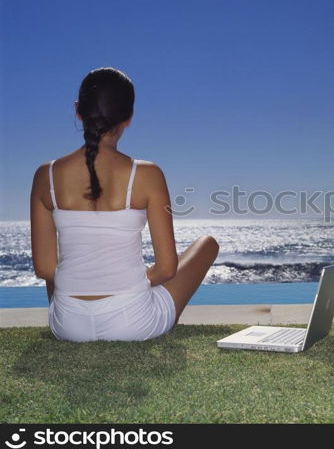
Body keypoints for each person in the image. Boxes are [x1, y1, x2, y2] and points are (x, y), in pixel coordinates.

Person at [29, 66, 219, 342]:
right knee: (207, 243)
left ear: (78, 110)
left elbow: (45, 270)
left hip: (67, 325)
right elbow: (166, 270)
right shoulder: (147, 174)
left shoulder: (45, 175)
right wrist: (125, 281)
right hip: (133, 323)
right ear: (128, 118)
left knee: (62, 266)